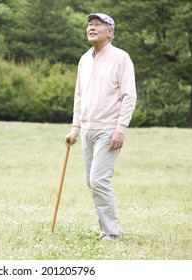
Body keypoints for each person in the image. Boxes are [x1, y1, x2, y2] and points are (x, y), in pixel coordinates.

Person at [65, 13, 137, 241]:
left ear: (110, 31)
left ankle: (112, 233)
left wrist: (120, 129)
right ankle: (105, 229)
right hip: (86, 130)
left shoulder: (121, 58)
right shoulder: (84, 59)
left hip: (109, 130)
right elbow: (79, 96)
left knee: (98, 180)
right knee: (91, 182)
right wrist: (75, 129)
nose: (92, 28)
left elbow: (129, 96)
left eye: (98, 25)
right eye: (90, 24)